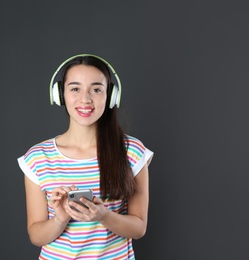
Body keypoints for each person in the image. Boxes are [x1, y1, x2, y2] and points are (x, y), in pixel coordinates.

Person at [17, 54, 153, 259]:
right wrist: (59, 219)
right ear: (60, 95)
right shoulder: (38, 158)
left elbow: (139, 227)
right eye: (75, 88)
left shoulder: (132, 151)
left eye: (96, 89)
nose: (85, 99)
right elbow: (36, 236)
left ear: (111, 96)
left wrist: (103, 216)